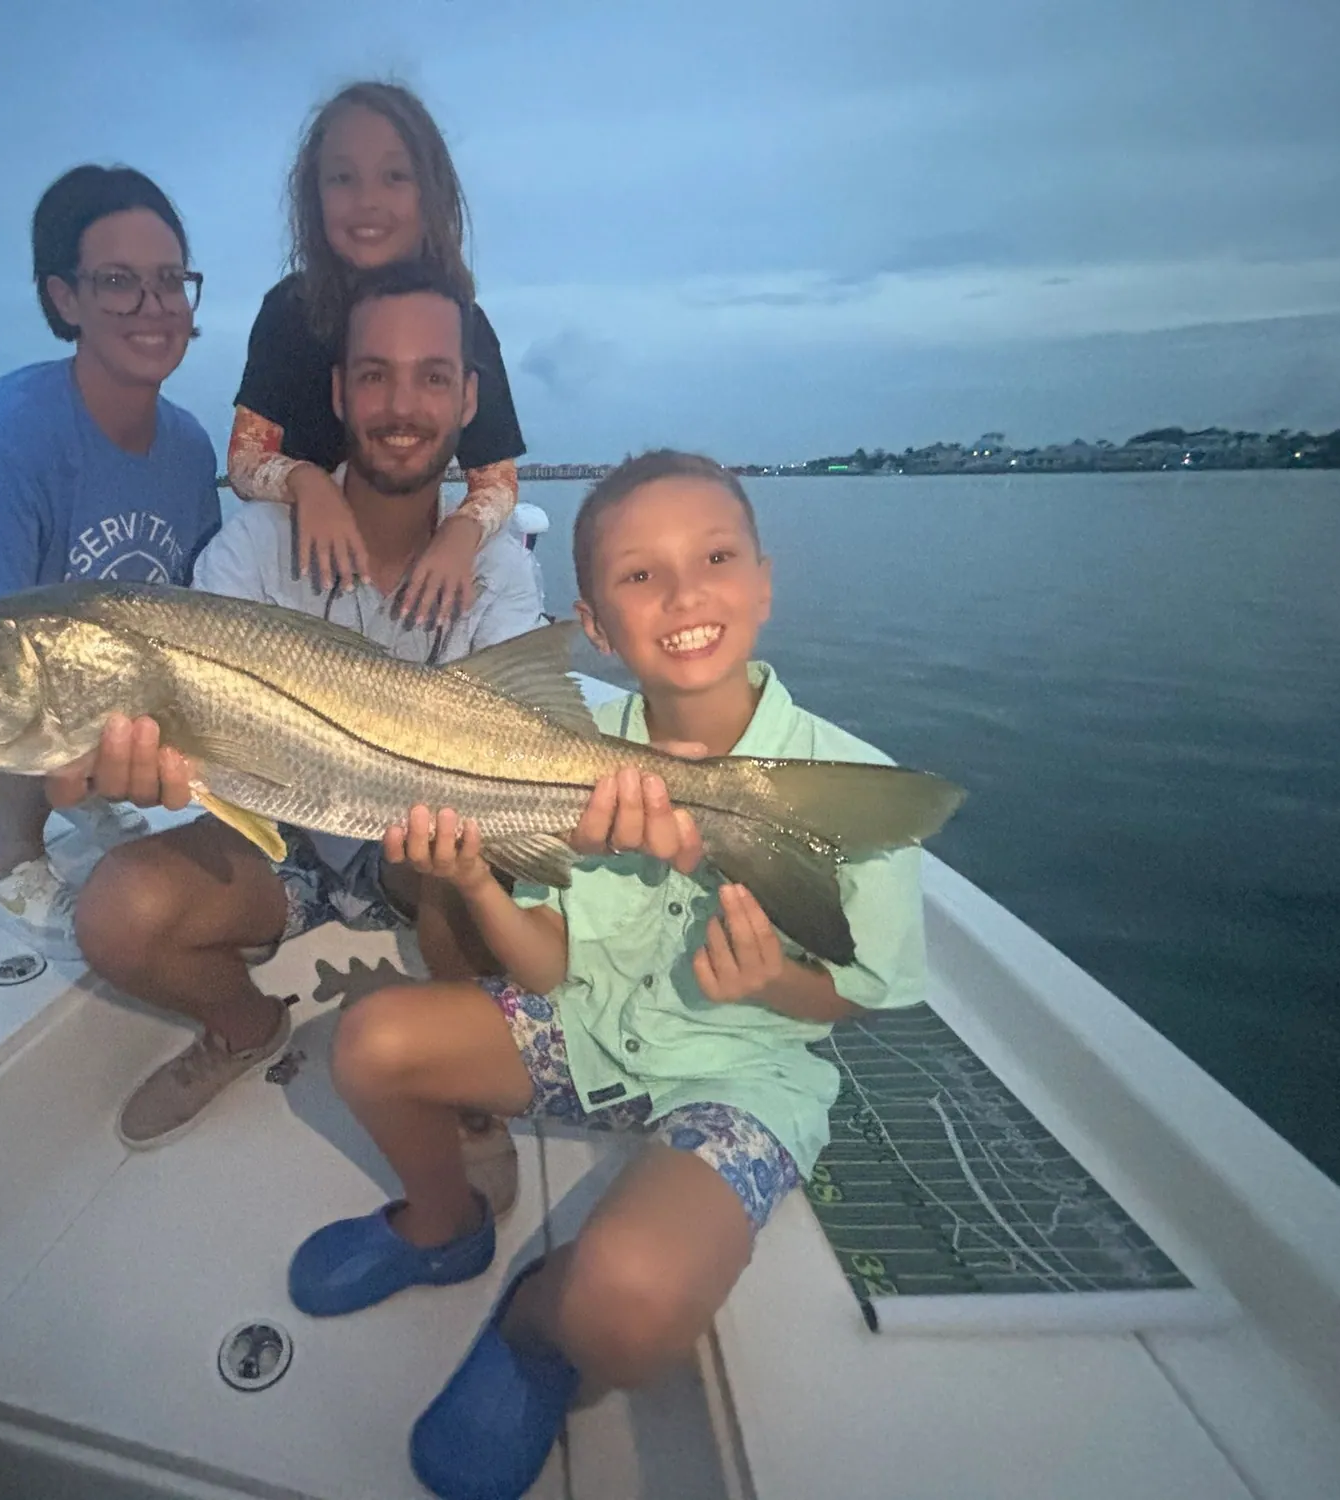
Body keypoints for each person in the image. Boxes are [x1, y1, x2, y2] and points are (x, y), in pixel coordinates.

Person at [281, 451, 931, 1500]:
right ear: (592, 623)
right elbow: (547, 962)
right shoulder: (561, 747)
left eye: (714, 558)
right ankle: (443, 1228)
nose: (683, 593)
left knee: (622, 1311)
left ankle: (536, 1327)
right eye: (639, 574)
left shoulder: (848, 782)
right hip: (579, 1027)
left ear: (764, 581)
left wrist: (770, 982)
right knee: (368, 1042)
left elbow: (859, 993)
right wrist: (476, 882)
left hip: (741, 1074)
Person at [51, 264, 544, 1215]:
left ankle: (465, 1084)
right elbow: (177, 741)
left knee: (467, 855)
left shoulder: (497, 568)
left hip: (420, 853)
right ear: (338, 393)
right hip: (279, 838)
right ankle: (245, 1028)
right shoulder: (251, 549)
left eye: (433, 377)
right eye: (375, 375)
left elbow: (520, 746)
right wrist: (133, 770)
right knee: (116, 911)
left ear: (468, 400)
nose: (401, 406)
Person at [0, 165, 221, 959]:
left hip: (91, 665)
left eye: (170, 280)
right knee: (31, 656)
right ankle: (15, 863)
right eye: (118, 282)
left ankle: (85, 791)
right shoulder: (6, 431)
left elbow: (188, 611)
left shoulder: (189, 445)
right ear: (64, 298)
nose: (153, 305)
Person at [226, 80, 526, 635]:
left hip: (411, 555)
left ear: (431, 192)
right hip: (301, 573)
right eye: (343, 178)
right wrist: (308, 485)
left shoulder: (464, 323)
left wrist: (460, 534)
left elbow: (497, 479)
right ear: (314, 195)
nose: (368, 200)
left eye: (394, 176)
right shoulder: (290, 312)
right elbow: (244, 461)